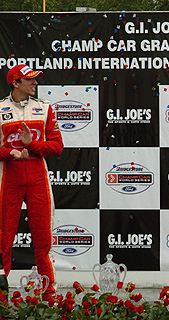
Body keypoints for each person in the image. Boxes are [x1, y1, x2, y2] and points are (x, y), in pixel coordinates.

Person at [0, 64, 63, 301]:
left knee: (43, 239)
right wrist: (10, 154)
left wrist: (31, 144)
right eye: (30, 80)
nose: (35, 83)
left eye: (36, 80)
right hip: (9, 180)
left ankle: (49, 294)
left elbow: (57, 146)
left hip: (38, 179)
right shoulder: (0, 109)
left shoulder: (44, 109)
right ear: (16, 83)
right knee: (3, 240)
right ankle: (0, 294)